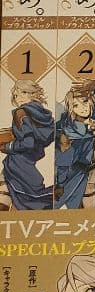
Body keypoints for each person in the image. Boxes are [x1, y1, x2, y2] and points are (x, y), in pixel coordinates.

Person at [55, 80, 95, 209]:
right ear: (71, 108)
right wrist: (60, 183)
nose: (82, 108)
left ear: (91, 100)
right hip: (76, 172)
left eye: (85, 101)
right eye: (76, 105)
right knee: (81, 196)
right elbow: (63, 161)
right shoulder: (68, 130)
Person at [0, 80, 54, 210]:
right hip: (29, 159)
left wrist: (7, 147)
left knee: (25, 198)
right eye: (16, 95)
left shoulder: (21, 113)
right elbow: (40, 136)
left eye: (23, 93)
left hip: (18, 162)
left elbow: (28, 143)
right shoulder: (41, 113)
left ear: (33, 94)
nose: (18, 97)